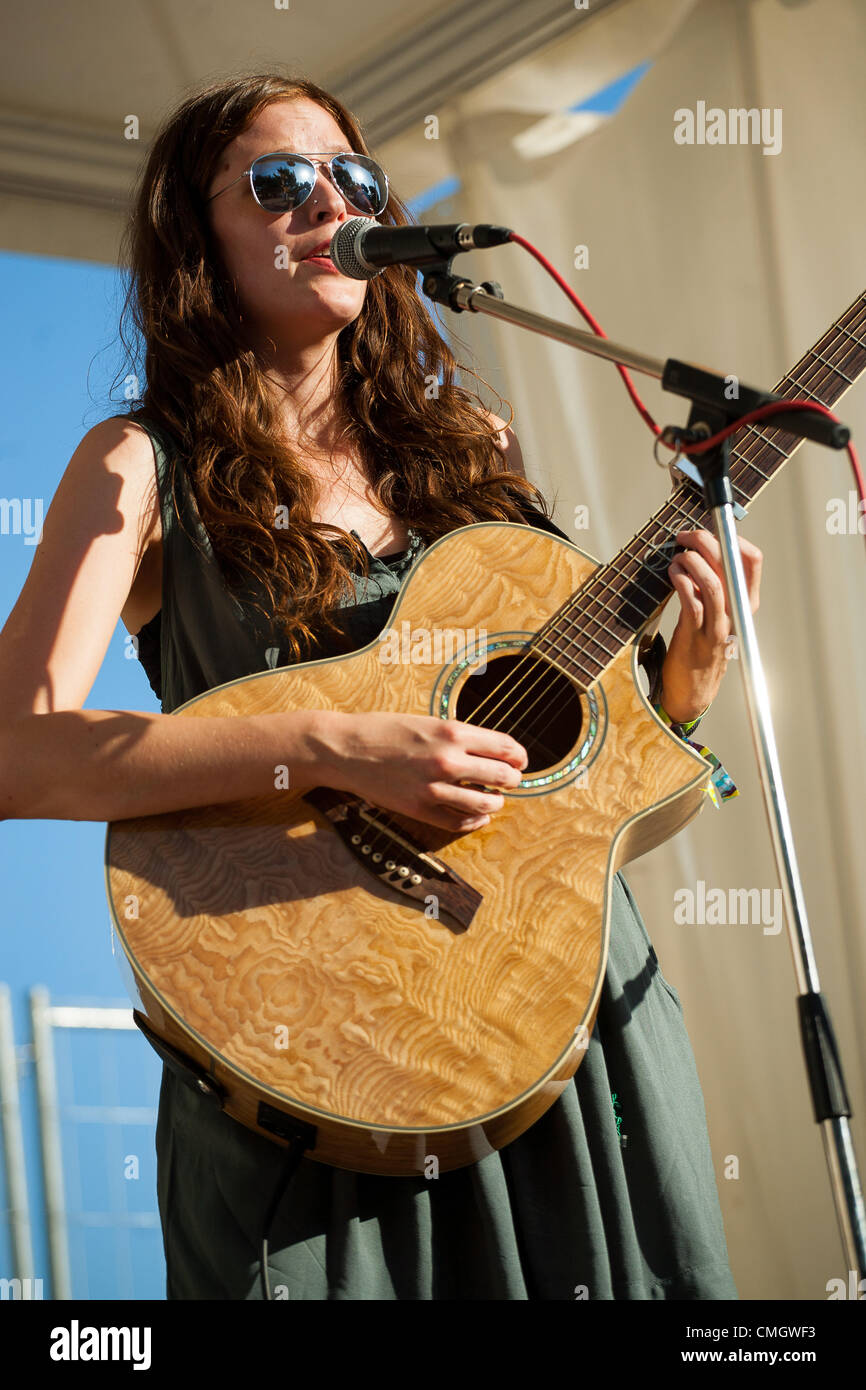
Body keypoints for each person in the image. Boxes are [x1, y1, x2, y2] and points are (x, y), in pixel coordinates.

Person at [0, 72, 762, 1300]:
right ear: (196, 234)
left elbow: (553, 803)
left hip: (556, 1032)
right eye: (276, 181)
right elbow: (16, 754)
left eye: (353, 182)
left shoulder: (475, 452)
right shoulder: (140, 467)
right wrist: (330, 744)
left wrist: (681, 691)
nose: (325, 203)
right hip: (312, 1052)